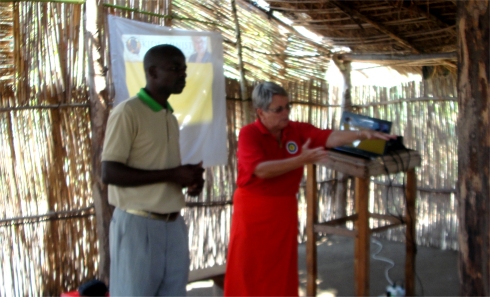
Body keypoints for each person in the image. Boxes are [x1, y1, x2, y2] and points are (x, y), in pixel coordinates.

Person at [223, 81, 395, 296]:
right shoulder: (249, 134)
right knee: (249, 266)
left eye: (288, 107)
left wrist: (361, 135)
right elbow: (261, 170)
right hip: (253, 212)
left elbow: (329, 137)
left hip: (283, 209)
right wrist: (300, 159)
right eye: (278, 109)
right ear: (261, 112)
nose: (286, 113)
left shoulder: (297, 130)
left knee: (281, 268)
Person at [101, 44, 205, 296]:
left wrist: (188, 180)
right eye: (175, 68)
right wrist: (171, 175)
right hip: (138, 224)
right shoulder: (128, 112)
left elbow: (157, 169)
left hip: (172, 225)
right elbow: (110, 173)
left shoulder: (168, 115)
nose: (183, 74)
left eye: (184, 69)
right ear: (152, 72)